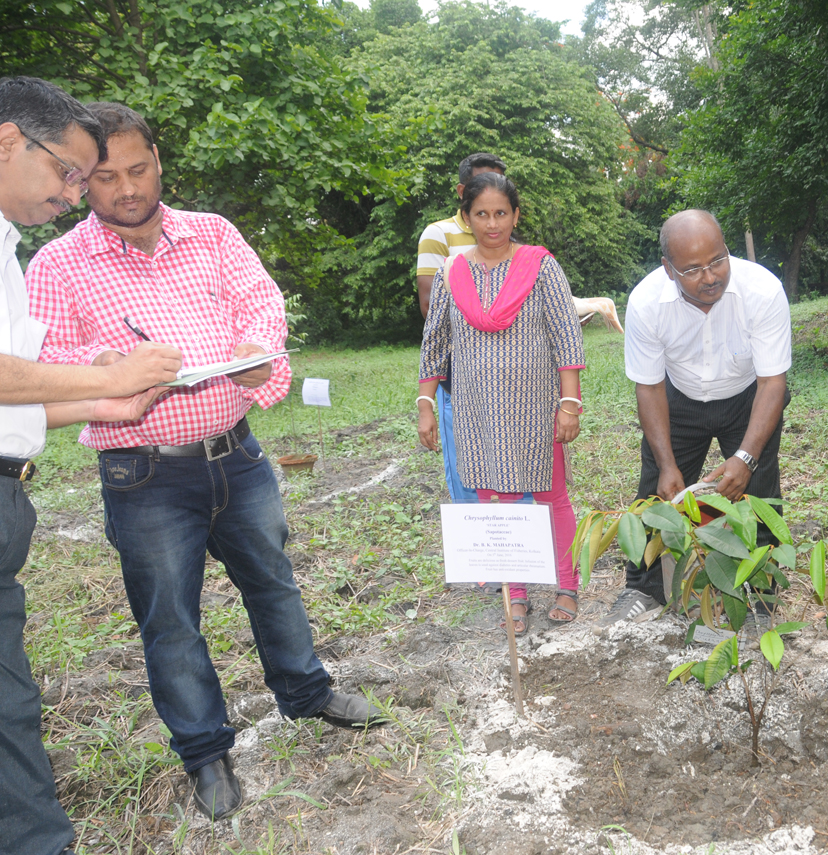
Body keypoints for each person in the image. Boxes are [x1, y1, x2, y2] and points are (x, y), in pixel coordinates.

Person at [24, 103, 385, 823]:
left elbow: (260, 303)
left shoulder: (213, 233)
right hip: (143, 473)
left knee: (275, 583)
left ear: (158, 160)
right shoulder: (59, 264)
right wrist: (104, 365)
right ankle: (205, 751)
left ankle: (307, 693)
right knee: (171, 621)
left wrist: (255, 357)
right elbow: (40, 364)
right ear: (80, 181)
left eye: (137, 168)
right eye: (103, 177)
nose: (125, 188)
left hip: (238, 454)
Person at [0, 77, 182, 855]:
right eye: (70, 173)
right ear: (8, 140)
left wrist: (99, 407)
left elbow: (15, 395)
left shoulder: (6, 247)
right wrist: (106, 379)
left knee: (10, 704)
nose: (77, 195)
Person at [605, 209, 791, 624]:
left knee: (758, 494)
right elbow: (649, 387)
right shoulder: (647, 302)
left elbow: (773, 383)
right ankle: (644, 589)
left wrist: (745, 458)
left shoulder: (762, 290)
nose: (710, 277)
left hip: (749, 398)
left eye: (717, 261)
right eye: (692, 269)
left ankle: (761, 597)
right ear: (668, 269)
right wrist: (668, 464)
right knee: (656, 496)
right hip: (678, 401)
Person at [417, 172, 585, 633]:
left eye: (501, 213)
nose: (493, 224)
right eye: (481, 214)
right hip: (477, 412)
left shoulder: (540, 266)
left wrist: (568, 403)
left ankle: (567, 585)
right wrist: (426, 404)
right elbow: (435, 343)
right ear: (467, 217)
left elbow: (566, 337)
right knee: (499, 504)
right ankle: (517, 592)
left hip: (536, 408)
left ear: (516, 215)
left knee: (552, 498)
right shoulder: (452, 272)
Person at [416, 153, 507, 506]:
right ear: (461, 192)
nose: (491, 191)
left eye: (499, 184)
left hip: (510, 374)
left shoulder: (503, 231)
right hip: (461, 373)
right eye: (481, 185)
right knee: (467, 466)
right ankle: (474, 544)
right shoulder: (438, 234)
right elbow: (431, 309)